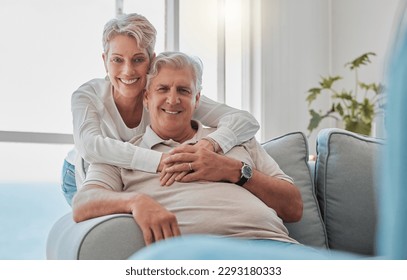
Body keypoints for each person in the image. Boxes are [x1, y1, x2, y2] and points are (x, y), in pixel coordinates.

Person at [72, 51, 303, 249]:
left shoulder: (238, 139)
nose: (173, 100)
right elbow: (83, 203)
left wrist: (234, 171)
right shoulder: (122, 154)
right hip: (198, 256)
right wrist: (135, 201)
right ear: (146, 97)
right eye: (163, 89)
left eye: (183, 90)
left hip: (280, 249)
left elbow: (294, 208)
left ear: (197, 99)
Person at [62, 13, 260, 205]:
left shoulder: (164, 97)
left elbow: (245, 120)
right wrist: (164, 161)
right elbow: (90, 146)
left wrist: (210, 143)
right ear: (105, 61)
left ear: (151, 60)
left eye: (138, 59)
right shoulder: (88, 95)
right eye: (117, 60)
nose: (128, 70)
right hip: (82, 173)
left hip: (133, 175)